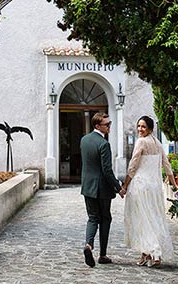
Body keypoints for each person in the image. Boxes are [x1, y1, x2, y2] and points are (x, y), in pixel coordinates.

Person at [121, 115, 178, 267]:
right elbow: (167, 165)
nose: (140, 129)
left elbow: (133, 166)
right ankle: (146, 255)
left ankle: (155, 252)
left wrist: (125, 185)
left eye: (143, 127)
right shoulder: (158, 143)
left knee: (142, 221)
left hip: (140, 186)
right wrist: (174, 184)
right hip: (154, 188)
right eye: (139, 126)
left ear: (150, 129)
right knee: (153, 218)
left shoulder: (141, 142)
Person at [80, 112, 125, 267]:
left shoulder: (84, 140)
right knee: (105, 219)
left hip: (87, 187)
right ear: (98, 126)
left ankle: (88, 245)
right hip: (102, 189)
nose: (109, 126)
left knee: (93, 218)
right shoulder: (104, 144)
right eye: (107, 124)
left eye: (110, 123)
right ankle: (103, 255)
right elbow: (107, 170)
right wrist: (118, 188)